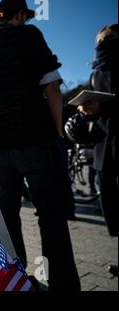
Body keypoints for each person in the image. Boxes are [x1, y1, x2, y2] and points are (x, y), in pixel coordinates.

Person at [0, 0, 80, 291]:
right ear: (21, 14)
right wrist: (59, 131)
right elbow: (51, 87)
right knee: (50, 214)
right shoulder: (28, 35)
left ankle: (13, 276)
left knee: (7, 207)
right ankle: (63, 284)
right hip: (35, 137)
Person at [78, 24, 118, 277]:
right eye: (100, 40)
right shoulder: (97, 72)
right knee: (111, 200)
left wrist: (102, 109)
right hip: (105, 141)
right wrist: (87, 109)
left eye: (109, 39)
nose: (102, 44)